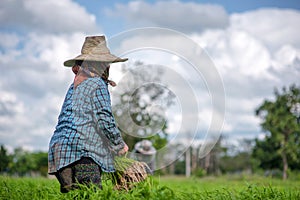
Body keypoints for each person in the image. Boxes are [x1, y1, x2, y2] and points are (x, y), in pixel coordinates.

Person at [48, 36, 128, 193]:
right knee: (91, 195)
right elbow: (104, 118)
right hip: (82, 155)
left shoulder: (74, 86)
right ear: (102, 64)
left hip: (59, 154)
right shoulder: (97, 84)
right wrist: (119, 145)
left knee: (76, 196)